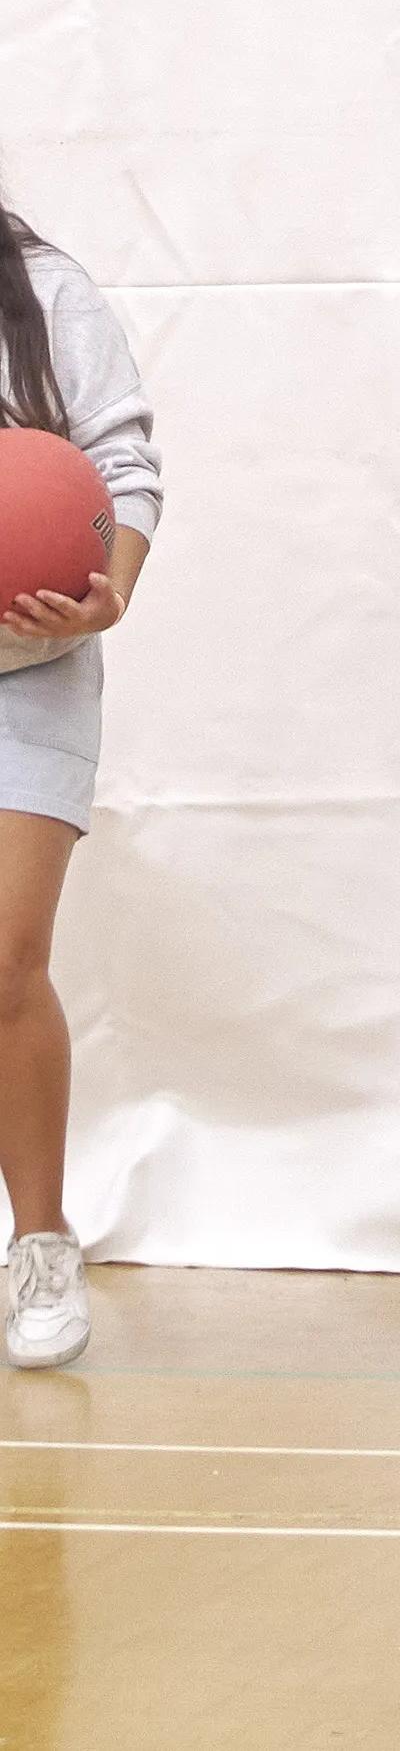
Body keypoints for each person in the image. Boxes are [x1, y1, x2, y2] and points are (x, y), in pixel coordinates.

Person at [0, 196, 164, 1370]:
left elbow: (124, 457)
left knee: (5, 955)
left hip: (31, 665)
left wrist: (111, 582)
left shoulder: (45, 287)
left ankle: (42, 1241)